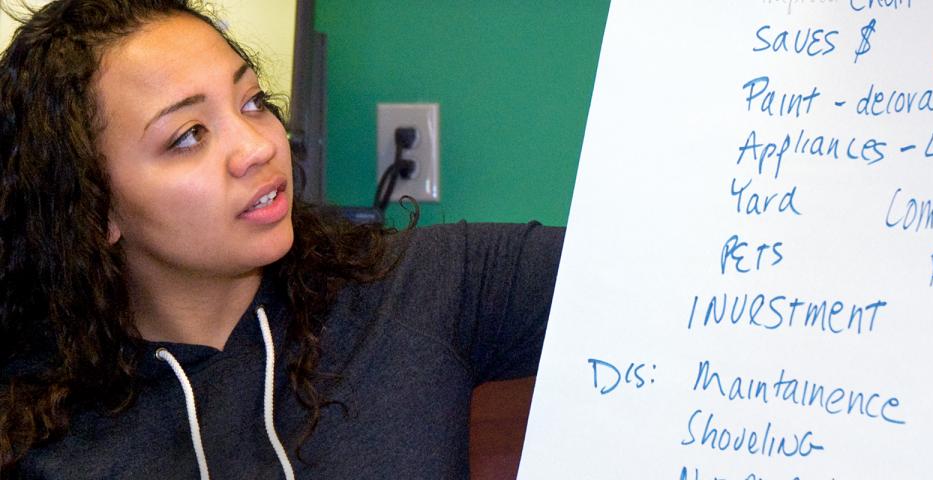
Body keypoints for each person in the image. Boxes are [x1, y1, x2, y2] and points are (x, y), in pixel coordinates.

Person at [0, 0, 563, 477]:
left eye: (252, 102)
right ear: (94, 208)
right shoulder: (32, 426)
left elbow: (637, 263)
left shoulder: (428, 284)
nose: (259, 146)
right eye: (189, 135)